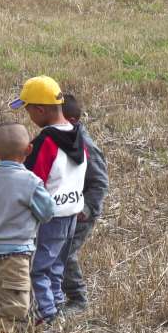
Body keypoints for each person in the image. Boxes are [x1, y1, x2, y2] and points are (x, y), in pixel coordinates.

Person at [9, 76, 87, 324]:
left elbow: (32, 180)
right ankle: (57, 303)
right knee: (56, 266)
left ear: (40, 109)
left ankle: (48, 317)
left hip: (51, 216)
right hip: (72, 212)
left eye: (28, 109)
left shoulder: (46, 141)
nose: (28, 115)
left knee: (39, 269)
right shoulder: (78, 136)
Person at [0, 122, 55, 322]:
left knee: (8, 291)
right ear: (29, 149)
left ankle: (11, 330)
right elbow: (47, 212)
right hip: (16, 251)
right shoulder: (30, 181)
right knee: (16, 305)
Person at [61, 94, 109, 314]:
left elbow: (100, 182)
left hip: (81, 212)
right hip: (64, 209)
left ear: (70, 120)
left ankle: (78, 299)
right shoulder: (62, 137)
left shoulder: (85, 145)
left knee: (65, 252)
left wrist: (88, 209)